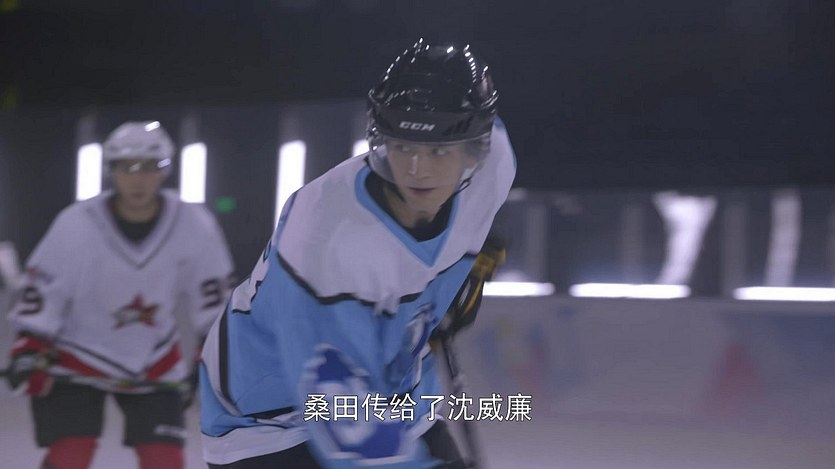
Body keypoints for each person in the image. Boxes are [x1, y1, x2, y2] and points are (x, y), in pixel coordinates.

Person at [199, 39, 516, 468]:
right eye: (403, 146)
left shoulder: (495, 162)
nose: (417, 170)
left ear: (475, 148)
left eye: (439, 150)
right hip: (268, 418)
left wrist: (465, 269)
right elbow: (349, 434)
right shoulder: (326, 241)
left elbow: (464, 230)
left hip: (394, 393)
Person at [5, 121, 235, 469]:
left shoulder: (193, 223)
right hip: (76, 354)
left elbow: (215, 296)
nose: (138, 179)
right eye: (127, 167)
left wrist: (211, 356)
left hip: (154, 358)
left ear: (165, 170)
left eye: (149, 166)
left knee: (165, 462)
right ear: (111, 170)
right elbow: (43, 288)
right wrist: (29, 346)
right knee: (70, 456)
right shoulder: (76, 222)